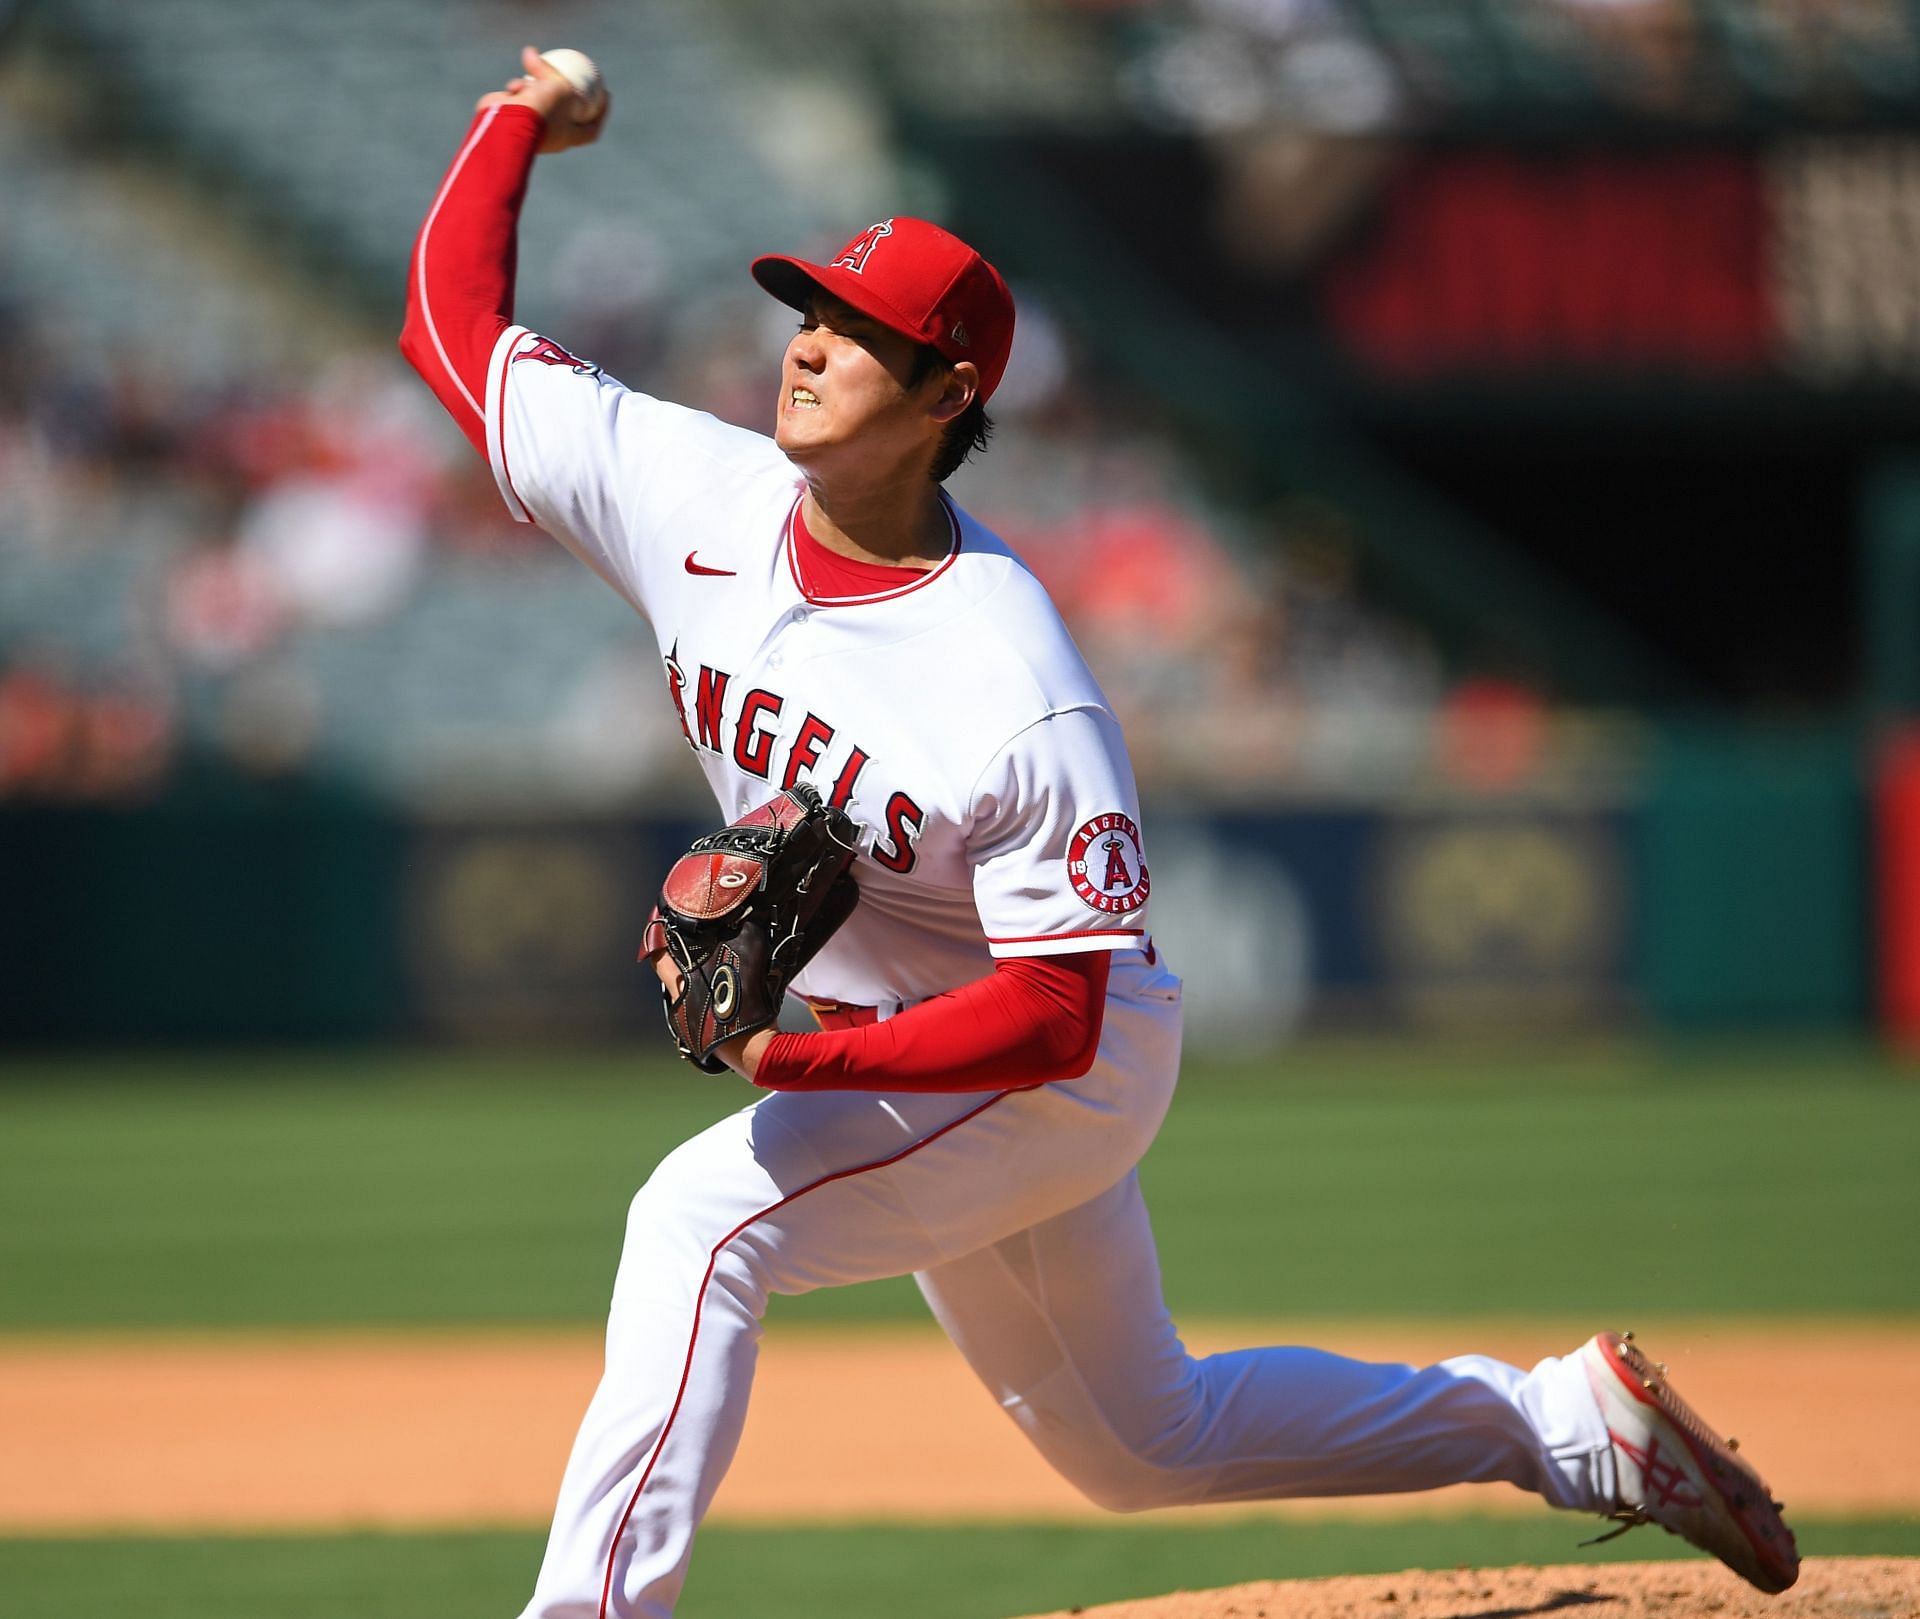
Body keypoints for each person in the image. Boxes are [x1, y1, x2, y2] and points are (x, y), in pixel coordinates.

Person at [399, 48, 1799, 1619]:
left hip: (1044, 1061)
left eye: (863, 335)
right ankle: (1566, 1427)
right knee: (1143, 1443)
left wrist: (798, 1065)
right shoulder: (686, 493)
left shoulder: (1012, 681)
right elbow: (450, 330)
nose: (811, 349)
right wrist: (517, 122)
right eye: (811, 312)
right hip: (913, 1040)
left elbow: (1054, 1017)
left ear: (949, 396)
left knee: (701, 1223)